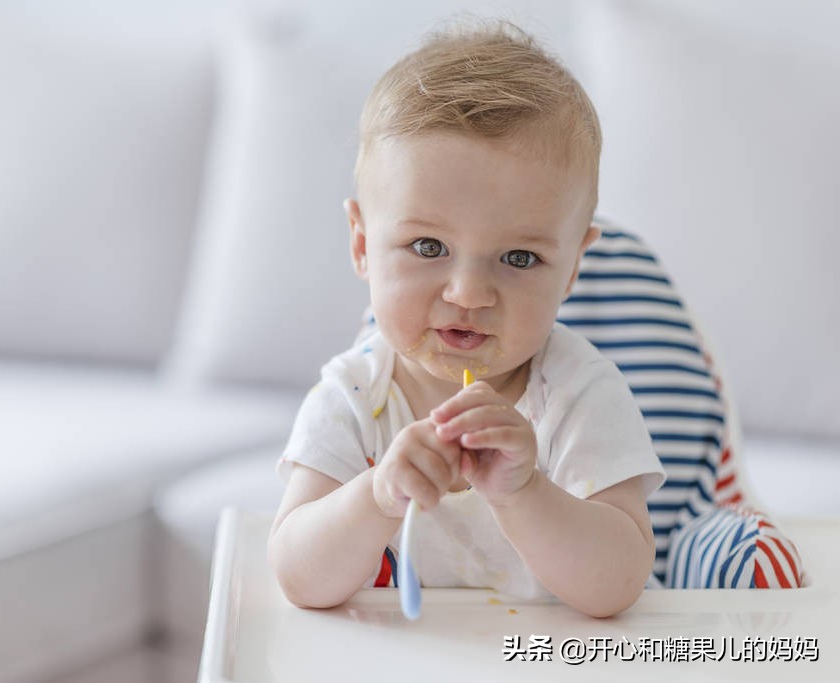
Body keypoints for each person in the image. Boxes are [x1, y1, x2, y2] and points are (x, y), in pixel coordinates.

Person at [267, 18, 665, 618]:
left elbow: (618, 586)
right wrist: (377, 497)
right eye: (429, 247)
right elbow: (299, 576)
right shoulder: (352, 398)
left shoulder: (580, 394)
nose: (470, 293)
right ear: (361, 244)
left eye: (519, 257)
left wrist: (525, 492)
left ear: (573, 267)